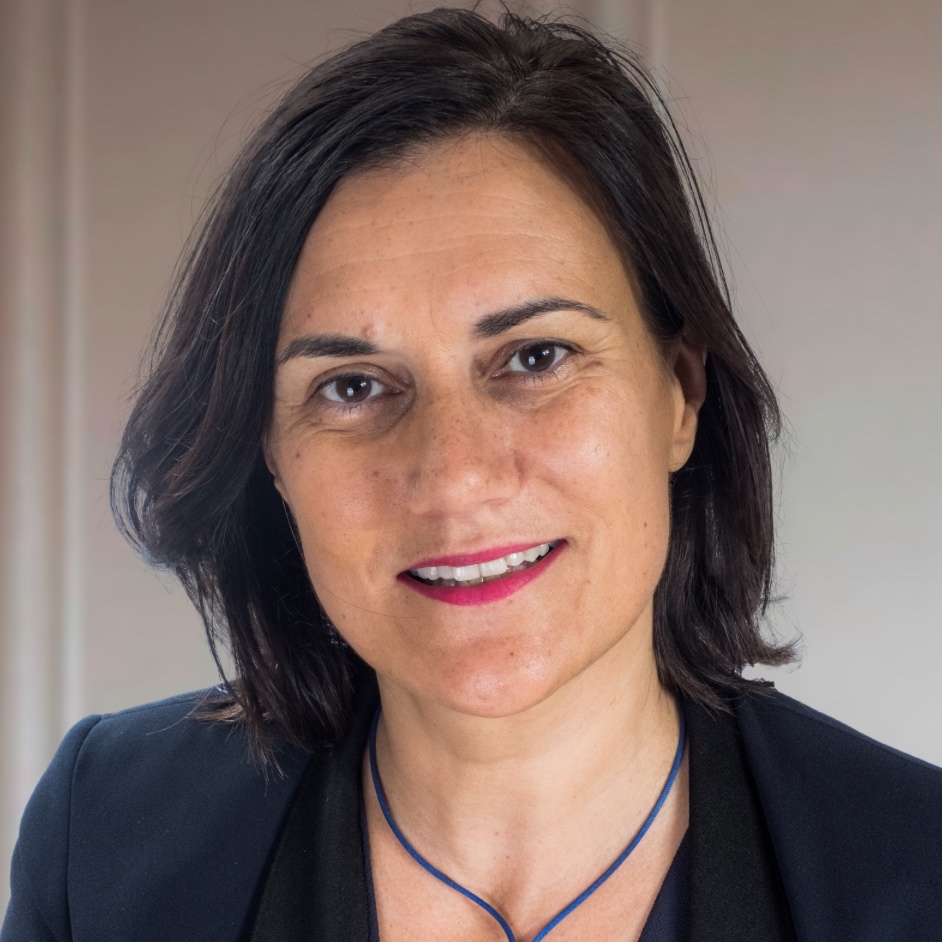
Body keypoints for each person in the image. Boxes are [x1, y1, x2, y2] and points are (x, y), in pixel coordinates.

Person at [3, 7, 940, 941]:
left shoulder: (919, 871)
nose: (453, 477)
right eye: (353, 385)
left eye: (535, 357)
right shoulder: (104, 844)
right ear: (271, 456)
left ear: (679, 393)